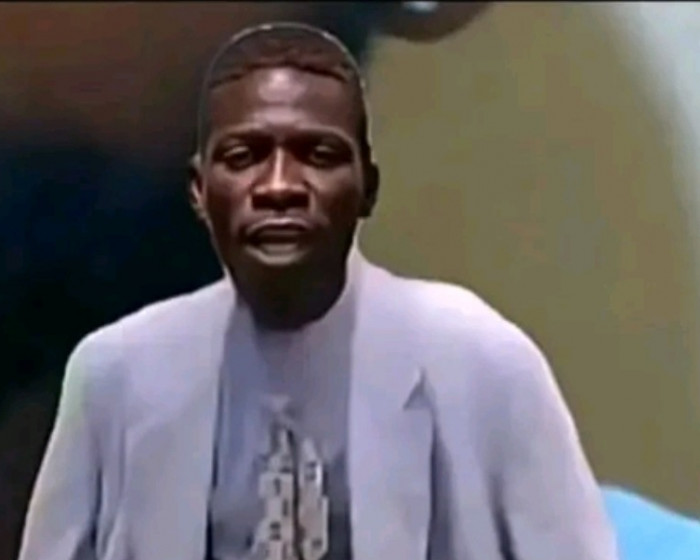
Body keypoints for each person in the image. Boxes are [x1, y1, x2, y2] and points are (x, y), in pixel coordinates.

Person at [18, 22, 619, 560]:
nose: (280, 187)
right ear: (201, 188)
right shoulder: (115, 375)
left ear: (366, 184)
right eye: (245, 156)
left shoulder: (480, 366)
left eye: (318, 155)